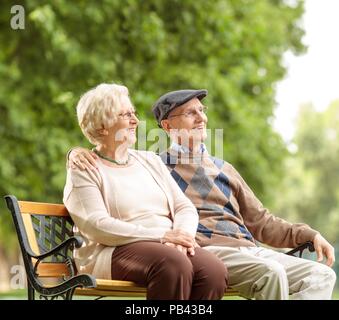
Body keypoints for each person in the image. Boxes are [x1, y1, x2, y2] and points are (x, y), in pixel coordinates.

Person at [68, 88, 336, 300]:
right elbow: (99, 205)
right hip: (196, 250)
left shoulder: (221, 168)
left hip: (244, 249)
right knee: (264, 272)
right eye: (190, 113)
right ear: (167, 126)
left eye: (201, 111)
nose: (201, 118)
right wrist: (76, 152)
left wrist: (308, 234)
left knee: (322, 276)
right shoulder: (161, 163)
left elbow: (261, 221)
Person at [63, 84, 228, 300]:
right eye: (125, 115)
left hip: (166, 246)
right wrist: (162, 236)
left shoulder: (149, 160)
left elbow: (183, 206)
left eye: (134, 113)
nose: (136, 121)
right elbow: (97, 225)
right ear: (102, 126)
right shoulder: (84, 168)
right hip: (112, 250)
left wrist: (182, 236)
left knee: (213, 271)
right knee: (173, 264)